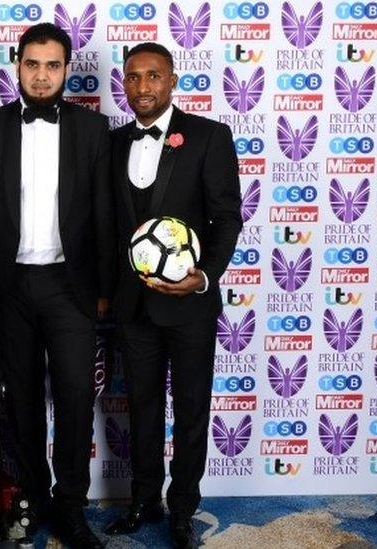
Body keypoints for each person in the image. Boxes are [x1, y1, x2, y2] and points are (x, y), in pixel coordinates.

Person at [0, 22, 114, 548]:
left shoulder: (94, 130)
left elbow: (103, 216)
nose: (42, 75)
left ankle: (71, 506)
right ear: (17, 64)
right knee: (19, 400)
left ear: (67, 70)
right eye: (32, 64)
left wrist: (104, 287)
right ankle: (29, 498)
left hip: (70, 287)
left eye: (53, 66)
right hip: (10, 286)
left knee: (73, 398)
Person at [102, 43, 242, 549]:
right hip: (132, 306)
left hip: (190, 305)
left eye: (153, 76)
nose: (143, 87)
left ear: (173, 80)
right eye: (134, 77)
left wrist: (202, 276)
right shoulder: (112, 143)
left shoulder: (208, 136)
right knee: (139, 405)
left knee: (190, 407)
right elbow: (105, 225)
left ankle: (183, 508)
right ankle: (144, 500)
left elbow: (227, 218)